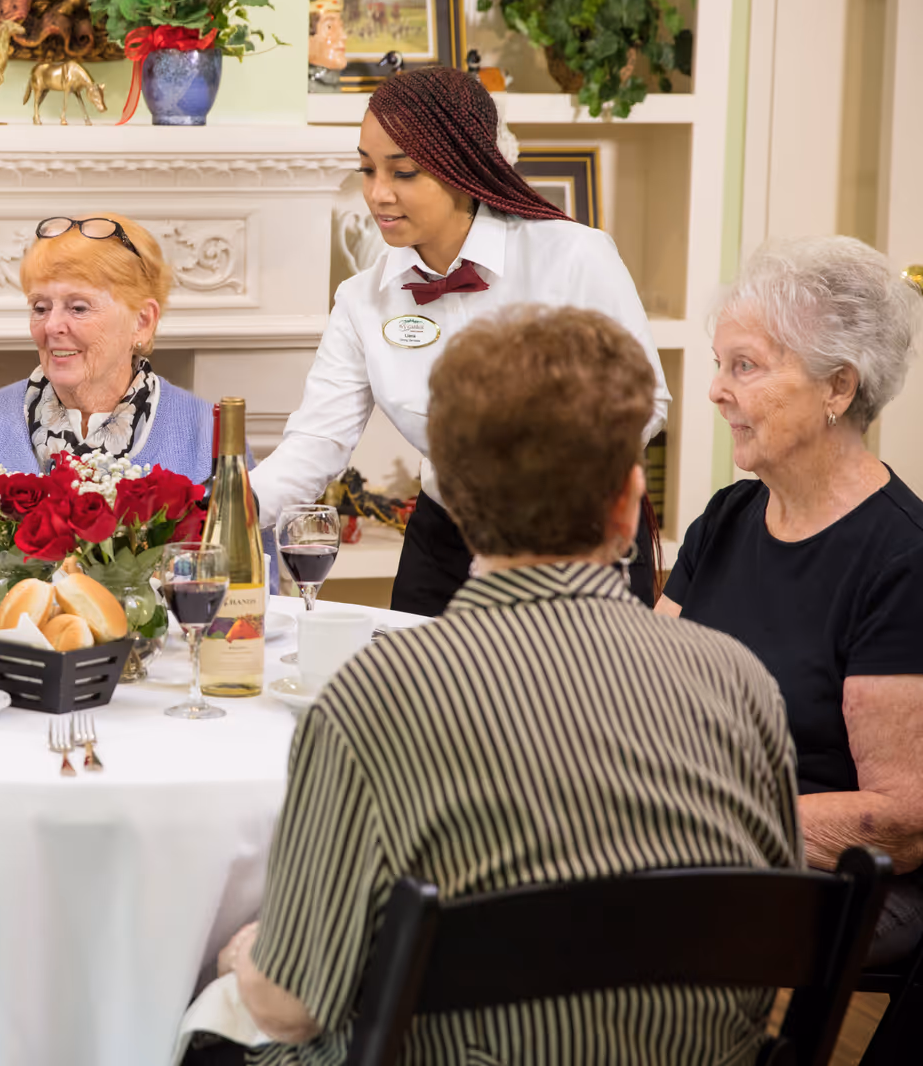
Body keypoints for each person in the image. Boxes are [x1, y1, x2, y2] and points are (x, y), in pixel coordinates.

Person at [203, 305, 800, 1065]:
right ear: (626, 503)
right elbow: (775, 941)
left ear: (451, 498)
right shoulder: (740, 682)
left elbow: (291, 1007)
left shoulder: (378, 695)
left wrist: (239, 958)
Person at [249, 66, 668, 615]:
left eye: (403, 173)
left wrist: (539, 483)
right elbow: (316, 443)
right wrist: (217, 511)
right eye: (367, 169)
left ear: (463, 166)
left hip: (575, 539)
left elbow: (647, 403)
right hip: (443, 543)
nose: (377, 194)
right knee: (421, 697)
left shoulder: (574, 256)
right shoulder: (361, 298)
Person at [658, 236, 923, 965]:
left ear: (837, 387)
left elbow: (900, 821)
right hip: (694, 837)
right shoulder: (728, 518)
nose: (715, 390)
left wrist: (701, 825)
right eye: (718, 364)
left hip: (825, 876)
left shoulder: (904, 559)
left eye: (743, 366)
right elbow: (642, 691)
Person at [0, 213, 212, 583]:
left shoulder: (207, 430)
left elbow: (250, 586)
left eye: (78, 307)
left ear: (142, 321)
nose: (51, 327)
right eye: (40, 307)